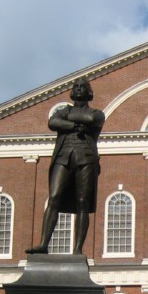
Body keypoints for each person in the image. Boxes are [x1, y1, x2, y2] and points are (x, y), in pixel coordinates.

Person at [26, 77, 106, 256]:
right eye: (75, 87)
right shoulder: (64, 111)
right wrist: (75, 125)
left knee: (82, 203)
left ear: (89, 93)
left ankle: (77, 249)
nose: (78, 89)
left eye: (82, 87)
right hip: (63, 157)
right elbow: (52, 122)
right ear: (71, 92)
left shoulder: (97, 113)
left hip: (86, 158)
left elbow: (92, 118)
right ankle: (43, 244)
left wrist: (68, 120)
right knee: (54, 197)